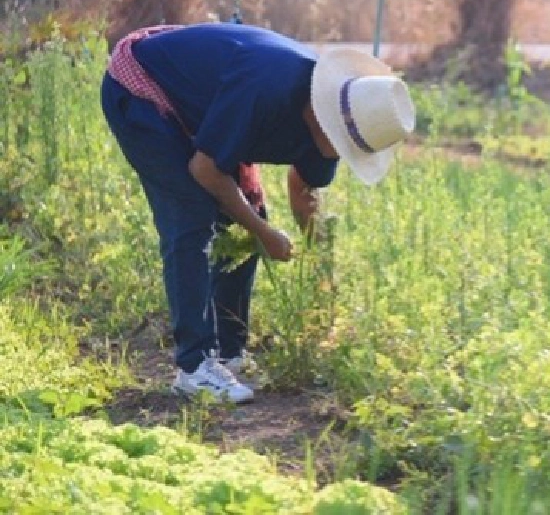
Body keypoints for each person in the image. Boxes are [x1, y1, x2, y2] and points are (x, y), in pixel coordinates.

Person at [101, 23, 415, 404]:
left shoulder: (333, 131)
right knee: (192, 214)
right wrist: (264, 231)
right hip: (144, 90)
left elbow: (303, 191)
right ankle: (194, 368)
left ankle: (229, 355)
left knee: (245, 219)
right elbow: (206, 170)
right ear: (325, 113)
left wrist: (320, 274)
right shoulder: (267, 86)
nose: (337, 153)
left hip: (204, 112)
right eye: (341, 142)